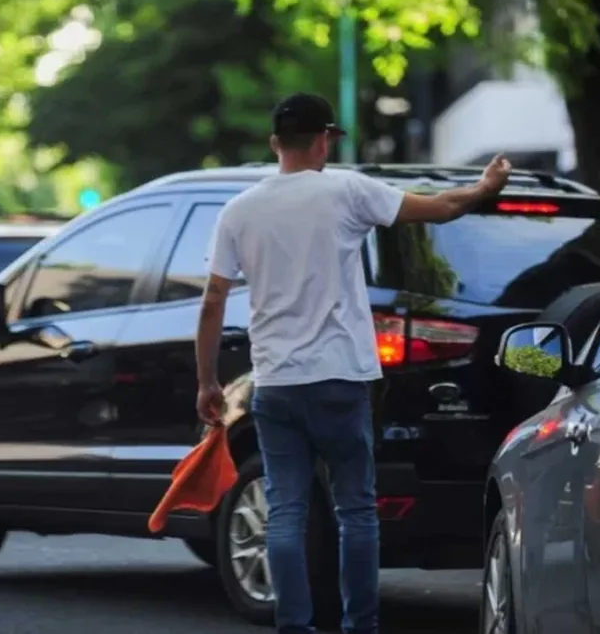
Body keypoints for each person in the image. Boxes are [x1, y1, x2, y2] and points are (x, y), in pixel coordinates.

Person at [194, 92, 512, 634]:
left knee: (286, 511)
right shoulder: (346, 190)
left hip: (276, 383)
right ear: (324, 141)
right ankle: (359, 625)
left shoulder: (238, 211)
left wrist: (207, 382)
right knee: (356, 512)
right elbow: (439, 208)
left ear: (275, 144)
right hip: (340, 379)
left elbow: (212, 300)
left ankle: (294, 625)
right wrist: (484, 187)